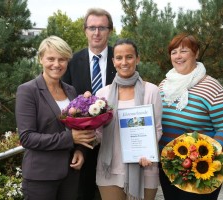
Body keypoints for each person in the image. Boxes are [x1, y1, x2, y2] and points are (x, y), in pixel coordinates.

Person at [15, 36, 96, 200]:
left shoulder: (71, 91)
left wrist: (80, 151)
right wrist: (69, 138)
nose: (56, 64)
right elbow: (27, 137)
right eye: (51, 58)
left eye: (62, 59)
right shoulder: (28, 91)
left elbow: (77, 129)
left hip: (70, 174)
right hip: (40, 177)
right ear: (40, 59)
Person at [158, 33, 223, 200]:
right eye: (174, 52)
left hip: (200, 170)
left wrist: (206, 157)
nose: (178, 56)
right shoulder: (164, 85)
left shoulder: (212, 87)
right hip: (169, 167)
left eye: (184, 51)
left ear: (196, 53)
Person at [95, 38, 163, 200]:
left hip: (144, 167)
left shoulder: (151, 91)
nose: (124, 62)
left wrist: (148, 152)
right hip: (109, 169)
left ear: (137, 59)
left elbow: (157, 129)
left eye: (129, 57)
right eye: (119, 58)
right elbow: (97, 133)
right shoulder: (102, 95)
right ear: (113, 61)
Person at [62, 8, 117, 200]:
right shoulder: (71, 62)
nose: (97, 33)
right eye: (92, 27)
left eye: (102, 27)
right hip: (82, 144)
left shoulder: (121, 59)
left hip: (115, 140)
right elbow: (66, 103)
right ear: (85, 30)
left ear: (110, 30)